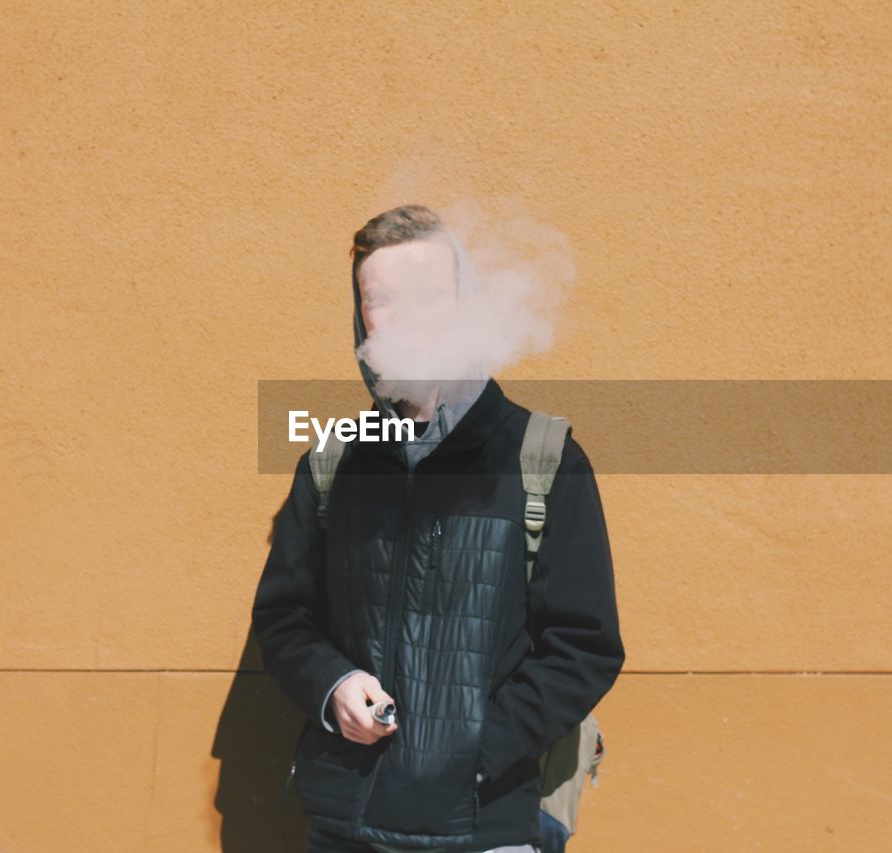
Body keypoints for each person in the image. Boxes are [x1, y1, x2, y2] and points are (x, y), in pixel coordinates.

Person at [251, 204, 624, 852]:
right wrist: (332, 684)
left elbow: (585, 644)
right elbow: (285, 617)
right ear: (360, 317)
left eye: (427, 294)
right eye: (380, 299)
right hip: (346, 823)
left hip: (486, 825)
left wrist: (474, 745)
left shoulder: (544, 458)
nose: (404, 316)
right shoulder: (334, 460)